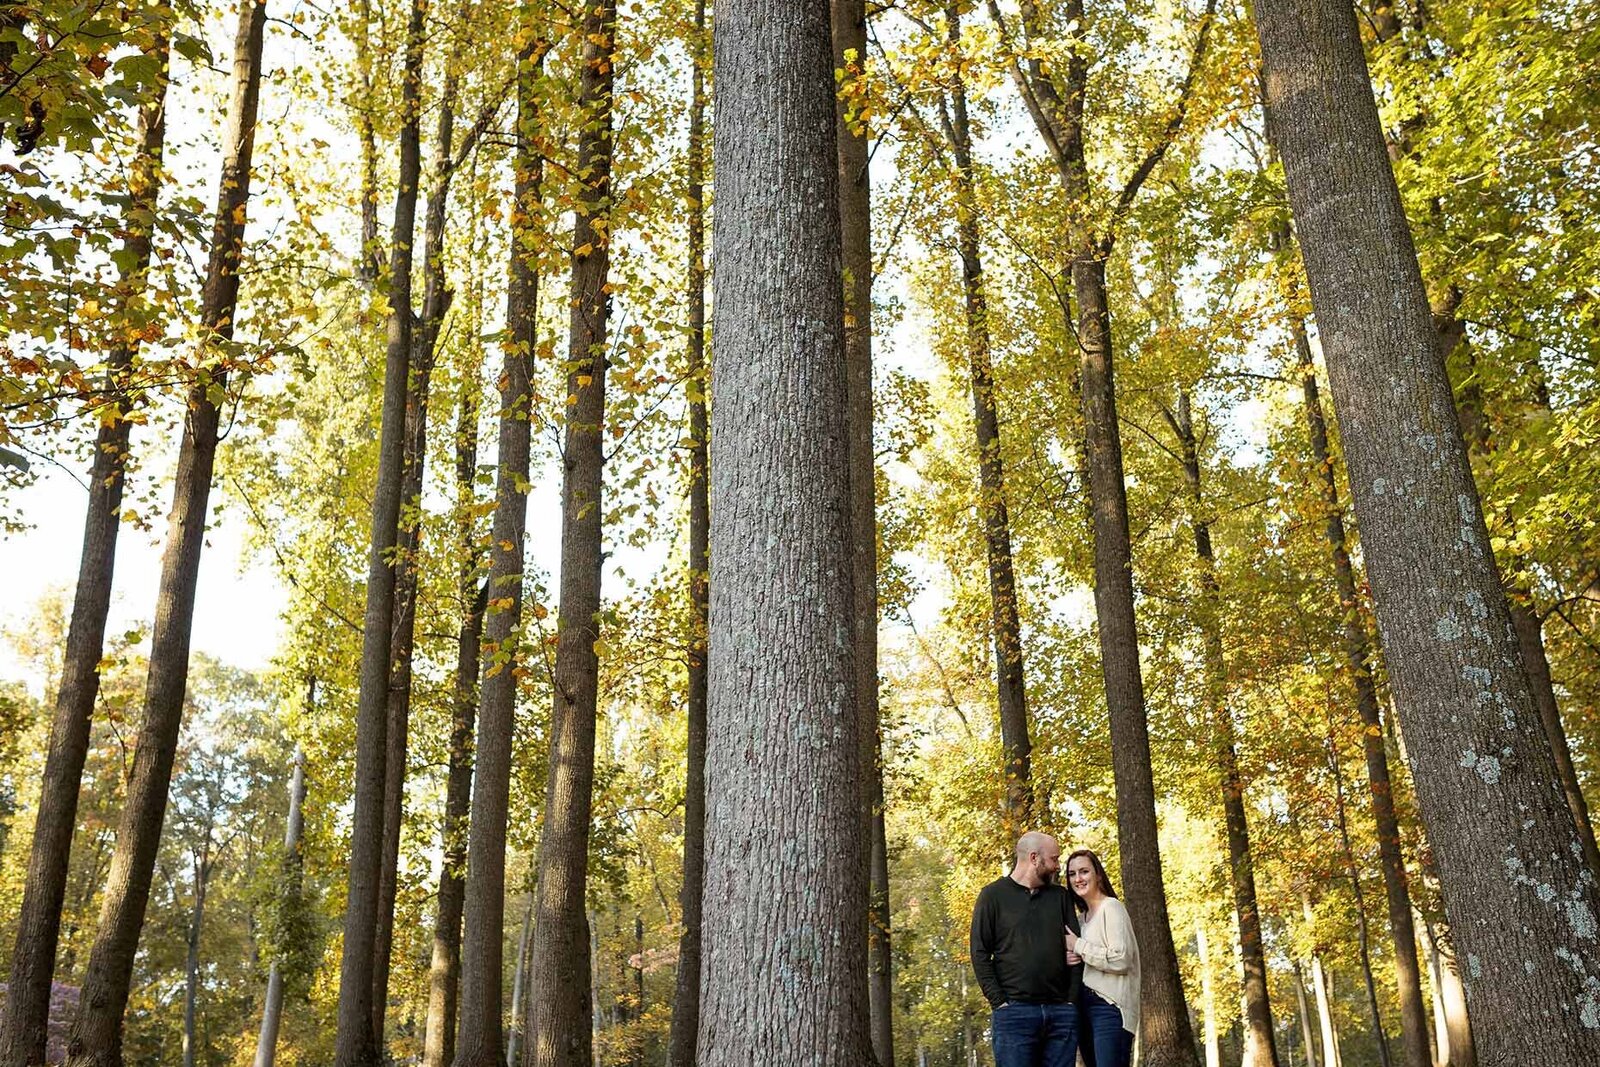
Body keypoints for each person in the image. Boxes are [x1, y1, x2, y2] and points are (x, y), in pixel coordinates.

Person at [970, 831, 1083, 1067]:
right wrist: (999, 1002)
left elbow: (1075, 949)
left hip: (1060, 1013)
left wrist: (1070, 1001)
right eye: (1054, 859)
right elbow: (980, 953)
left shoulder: (1060, 897)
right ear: (1034, 858)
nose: (1057, 866)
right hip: (1014, 1014)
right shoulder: (992, 896)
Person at [1065, 849, 1140, 1067]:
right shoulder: (1081, 919)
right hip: (1083, 1005)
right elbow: (1086, 958)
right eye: (1072, 874)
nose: (1078, 878)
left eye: (1084, 871)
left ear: (1098, 874)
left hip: (1109, 1006)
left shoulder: (1112, 908)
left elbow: (1121, 958)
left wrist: (1078, 946)